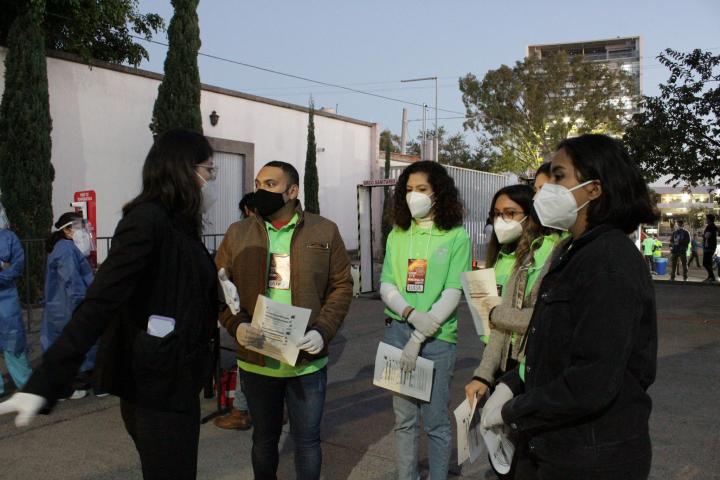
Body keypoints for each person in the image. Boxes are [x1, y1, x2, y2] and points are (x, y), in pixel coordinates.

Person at [0, 129, 220, 480]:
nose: (210, 180)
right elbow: (98, 304)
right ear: (183, 169)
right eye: (209, 170)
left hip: (178, 379)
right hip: (155, 388)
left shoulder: (181, 225)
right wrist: (46, 381)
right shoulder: (146, 221)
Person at [481, 134, 658, 478]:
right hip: (557, 445)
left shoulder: (609, 262)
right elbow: (552, 348)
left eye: (559, 177)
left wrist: (514, 409)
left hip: (593, 455)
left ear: (594, 189)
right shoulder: (571, 251)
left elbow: (592, 379)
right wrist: (511, 386)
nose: (544, 190)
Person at [215, 160, 353, 480]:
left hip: (306, 360)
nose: (261, 190)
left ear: (292, 191)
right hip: (257, 358)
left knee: (307, 442)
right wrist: (238, 326)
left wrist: (324, 330)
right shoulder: (238, 234)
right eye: (258, 183)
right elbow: (221, 288)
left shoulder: (324, 230)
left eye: (271, 185)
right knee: (264, 440)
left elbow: (342, 286)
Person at [379, 160, 471, 480]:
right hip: (397, 333)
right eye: (408, 190)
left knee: (435, 422)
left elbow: (453, 290)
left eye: (421, 189)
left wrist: (419, 336)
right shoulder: (398, 234)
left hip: (437, 339)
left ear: (438, 193)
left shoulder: (456, 236)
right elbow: (387, 283)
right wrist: (409, 314)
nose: (413, 196)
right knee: (403, 420)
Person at [465, 185, 564, 410]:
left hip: (527, 360)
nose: (502, 220)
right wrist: (483, 374)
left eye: (510, 213)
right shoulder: (500, 255)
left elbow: (541, 317)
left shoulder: (546, 253)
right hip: (496, 352)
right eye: (497, 214)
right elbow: (500, 323)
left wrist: (496, 314)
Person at [40, 212, 98, 400]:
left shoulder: (64, 248)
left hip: (62, 307)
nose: (83, 232)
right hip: (68, 307)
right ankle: (71, 386)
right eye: (79, 228)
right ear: (66, 230)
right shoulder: (65, 249)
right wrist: (82, 305)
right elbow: (72, 281)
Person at [214, 192, 256, 431]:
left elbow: (222, 270)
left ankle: (240, 410)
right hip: (269, 307)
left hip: (246, 308)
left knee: (247, 359)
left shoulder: (239, 231)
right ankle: (276, 409)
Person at [0, 201, 33, 399]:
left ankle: (27, 385)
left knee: (14, 341)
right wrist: (4, 266)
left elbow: (17, 266)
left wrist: (5, 270)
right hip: (7, 294)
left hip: (7, 298)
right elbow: (10, 267)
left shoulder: (9, 237)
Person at [702, 214, 718, 282]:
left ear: (709, 219)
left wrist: (704, 235)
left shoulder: (710, 226)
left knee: (705, 263)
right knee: (708, 263)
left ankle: (712, 276)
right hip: (710, 246)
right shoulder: (712, 226)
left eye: (706, 218)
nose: (706, 220)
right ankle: (710, 277)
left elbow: (707, 236)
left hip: (709, 247)